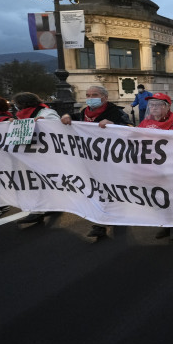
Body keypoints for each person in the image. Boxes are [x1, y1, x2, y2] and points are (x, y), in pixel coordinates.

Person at [61, 86, 131, 239]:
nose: (90, 97)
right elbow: (70, 118)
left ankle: (111, 217)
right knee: (97, 189)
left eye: (95, 94)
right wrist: (65, 115)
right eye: (88, 95)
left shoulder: (116, 112)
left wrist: (114, 124)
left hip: (111, 159)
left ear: (105, 97)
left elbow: (130, 130)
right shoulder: (83, 113)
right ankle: (101, 222)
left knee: (111, 189)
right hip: (90, 160)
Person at [137, 92, 173, 241]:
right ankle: (166, 224)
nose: (153, 108)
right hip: (150, 168)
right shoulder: (144, 123)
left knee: (171, 197)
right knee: (157, 197)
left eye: (158, 104)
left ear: (167, 107)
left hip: (171, 168)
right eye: (151, 105)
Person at [9, 92, 63, 226]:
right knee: (36, 183)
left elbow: (56, 129)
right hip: (30, 155)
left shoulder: (46, 113)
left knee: (41, 183)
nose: (15, 107)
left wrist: (42, 124)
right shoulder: (22, 116)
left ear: (22, 104)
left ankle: (38, 212)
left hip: (45, 156)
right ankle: (42, 209)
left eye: (16, 104)